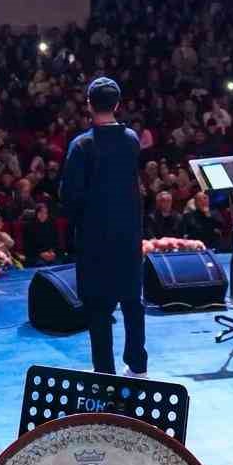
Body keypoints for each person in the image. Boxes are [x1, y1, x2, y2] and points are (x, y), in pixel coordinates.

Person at [59, 77, 146, 376]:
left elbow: (69, 196)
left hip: (95, 239)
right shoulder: (131, 139)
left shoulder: (81, 145)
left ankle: (105, 372)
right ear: (118, 104)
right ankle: (137, 361)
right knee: (133, 300)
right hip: (128, 233)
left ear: (88, 104)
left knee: (98, 309)